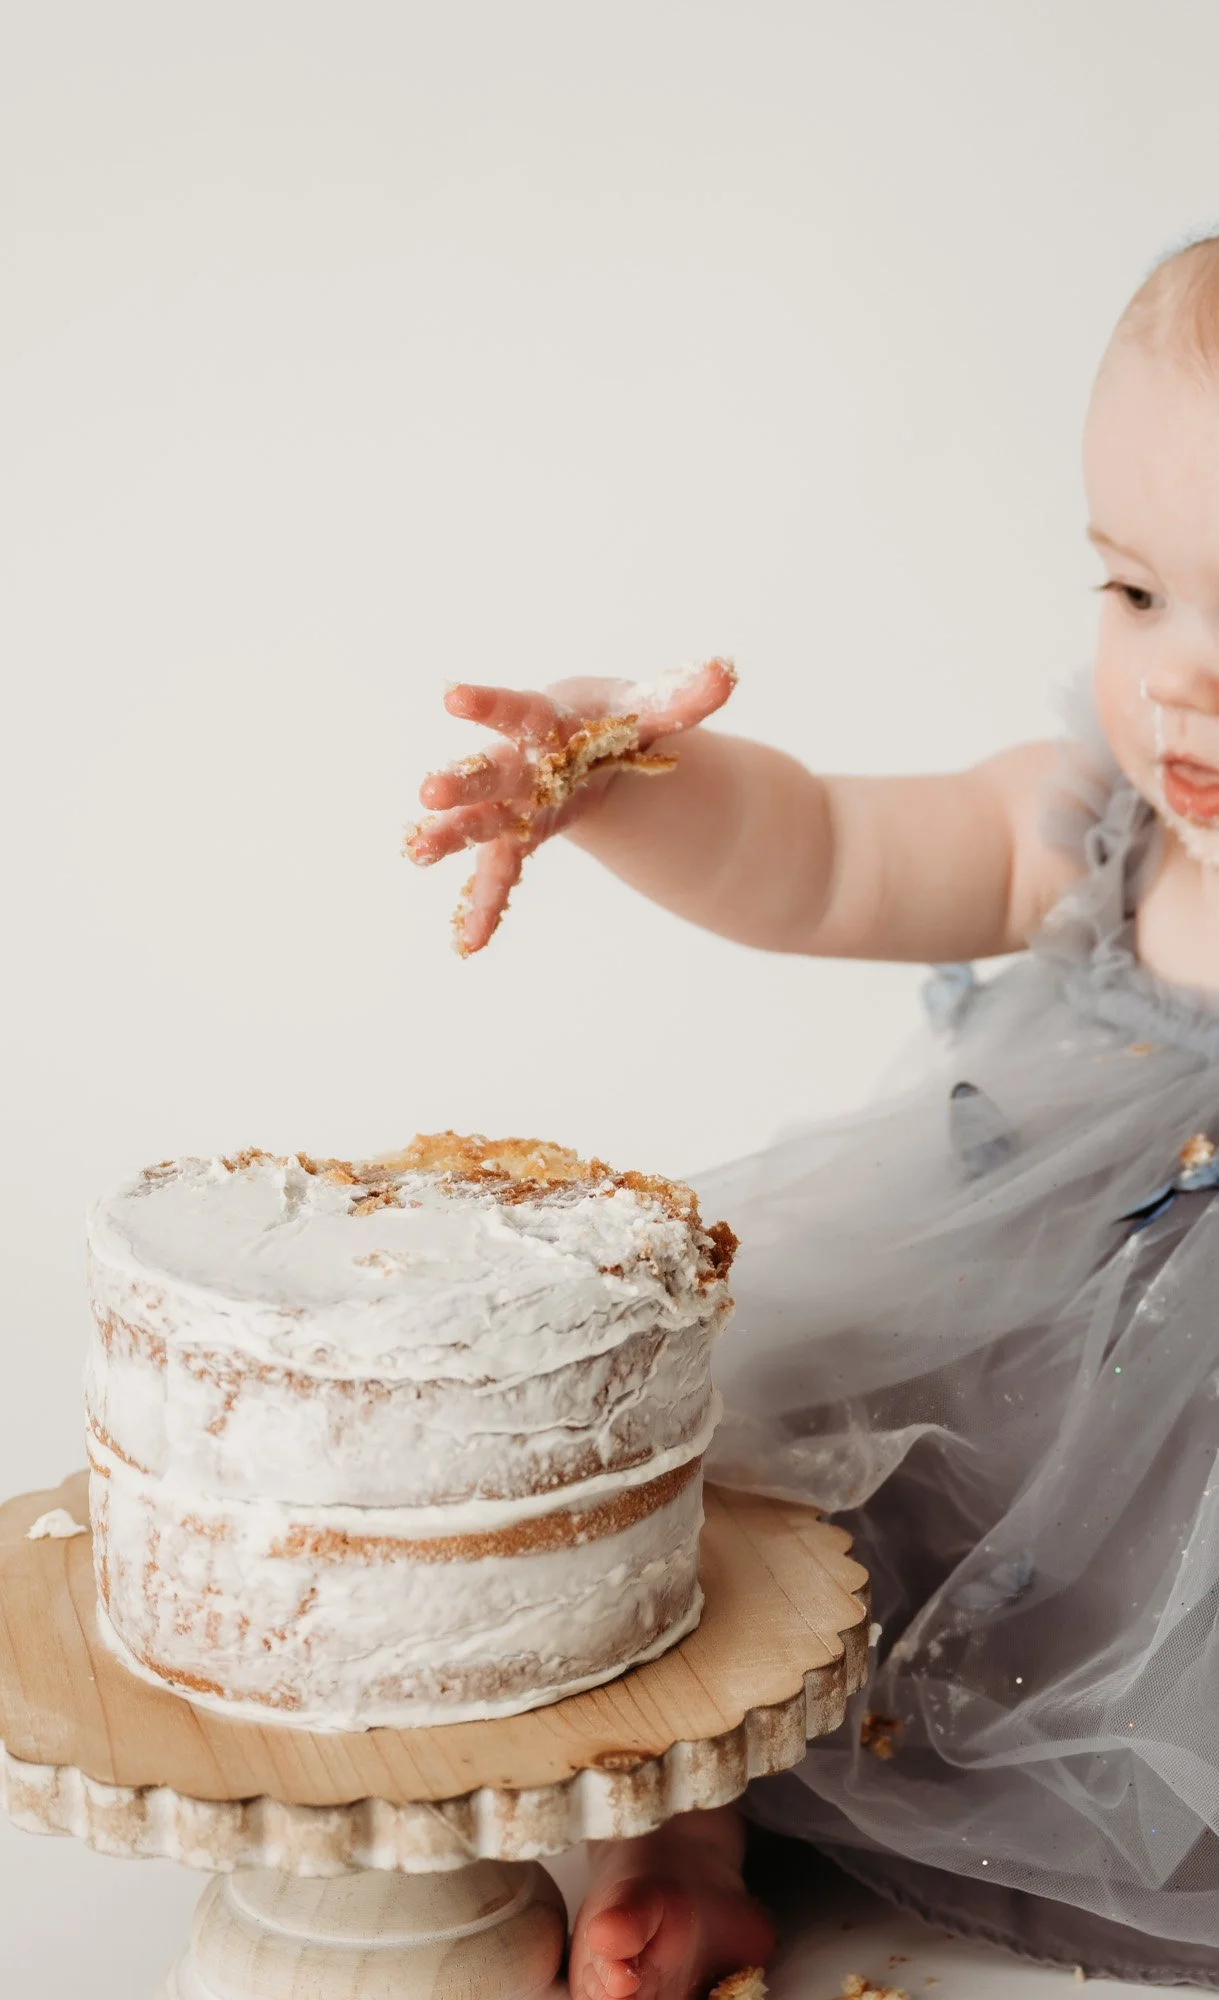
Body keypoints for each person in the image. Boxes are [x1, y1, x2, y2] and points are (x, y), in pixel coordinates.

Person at [407, 233, 1219, 1999]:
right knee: (781, 1449)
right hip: (1002, 1383)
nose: (1184, 679)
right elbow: (832, 853)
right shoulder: (1098, 830)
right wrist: (617, 781)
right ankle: (696, 1831)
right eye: (1136, 594)